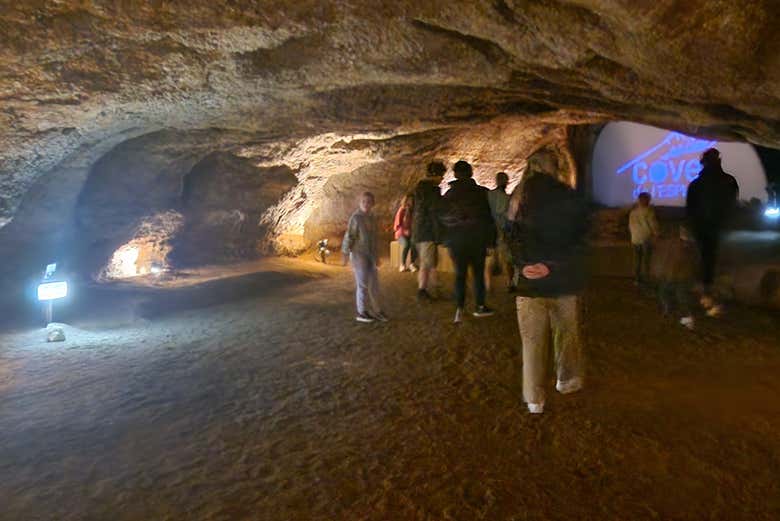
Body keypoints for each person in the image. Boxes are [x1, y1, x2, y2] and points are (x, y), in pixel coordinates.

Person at [506, 148, 588, 414]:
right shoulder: (566, 195)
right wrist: (550, 265)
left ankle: (534, 399)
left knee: (532, 343)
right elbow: (576, 241)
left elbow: (510, 240)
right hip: (562, 279)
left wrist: (525, 265)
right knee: (567, 334)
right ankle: (567, 380)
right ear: (554, 167)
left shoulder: (517, 198)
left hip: (529, 283)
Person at [440, 160, 496, 323]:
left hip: (456, 241)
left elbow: (443, 218)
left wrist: (447, 237)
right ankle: (479, 306)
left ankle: (459, 308)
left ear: (455, 175)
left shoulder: (448, 196)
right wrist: (491, 242)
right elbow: (488, 220)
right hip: (477, 239)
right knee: (478, 274)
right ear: (471, 173)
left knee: (459, 275)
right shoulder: (481, 193)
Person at [685, 148, 739, 315]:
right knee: (716, 259)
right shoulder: (729, 182)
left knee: (705, 259)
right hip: (721, 228)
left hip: (704, 229)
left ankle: (707, 290)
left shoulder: (696, 185)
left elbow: (690, 209)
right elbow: (732, 203)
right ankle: (712, 292)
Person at [342, 192, 386, 323]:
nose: (366, 204)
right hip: (358, 254)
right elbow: (349, 236)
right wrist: (345, 253)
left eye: (369, 202)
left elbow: (374, 240)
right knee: (362, 284)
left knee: (374, 284)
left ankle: (377, 311)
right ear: (360, 202)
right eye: (364, 201)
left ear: (372, 204)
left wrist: (377, 256)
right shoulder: (356, 218)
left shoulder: (372, 219)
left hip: (370, 255)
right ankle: (362, 312)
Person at [651, 224, 699, 330]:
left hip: (678, 276)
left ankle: (685, 319)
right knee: (670, 294)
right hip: (675, 275)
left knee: (678, 297)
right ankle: (672, 312)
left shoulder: (686, 246)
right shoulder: (681, 244)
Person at [412, 161, 445, 301]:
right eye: (441, 176)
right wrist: (439, 235)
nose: (442, 179)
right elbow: (435, 214)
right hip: (427, 232)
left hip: (419, 231)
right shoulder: (432, 191)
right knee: (428, 263)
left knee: (428, 262)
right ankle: (423, 290)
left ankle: (433, 288)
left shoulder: (419, 189)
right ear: (436, 175)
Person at [486, 172, 518, 292]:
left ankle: (488, 285)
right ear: (506, 182)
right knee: (509, 259)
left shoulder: (489, 195)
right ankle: (510, 283)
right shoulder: (506, 198)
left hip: (490, 231)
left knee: (490, 259)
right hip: (503, 232)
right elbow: (507, 216)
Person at [628, 191, 660, 286]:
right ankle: (646, 280)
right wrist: (657, 234)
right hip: (646, 238)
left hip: (635, 238)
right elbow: (653, 225)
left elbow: (630, 226)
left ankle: (637, 279)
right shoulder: (648, 212)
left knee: (637, 260)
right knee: (646, 260)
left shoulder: (633, 212)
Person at [393, 194, 417, 272]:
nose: (410, 203)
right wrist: (404, 231)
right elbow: (397, 225)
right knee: (406, 244)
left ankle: (412, 263)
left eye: (412, 201)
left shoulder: (413, 211)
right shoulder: (401, 210)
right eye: (409, 200)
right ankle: (402, 264)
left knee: (414, 243)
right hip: (401, 234)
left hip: (410, 233)